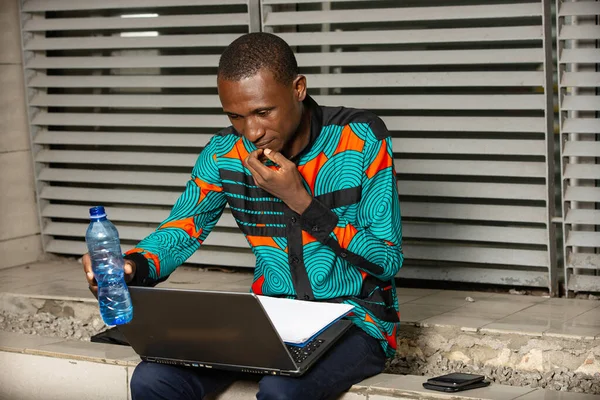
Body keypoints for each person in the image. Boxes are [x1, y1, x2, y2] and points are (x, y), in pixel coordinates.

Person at [82, 32, 403, 400]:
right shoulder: (224, 153)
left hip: (356, 321)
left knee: (282, 391)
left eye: (263, 112)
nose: (252, 132)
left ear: (298, 88)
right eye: (236, 116)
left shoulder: (360, 138)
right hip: (268, 320)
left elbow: (387, 259)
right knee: (152, 380)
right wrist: (133, 266)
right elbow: (182, 229)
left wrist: (301, 200)